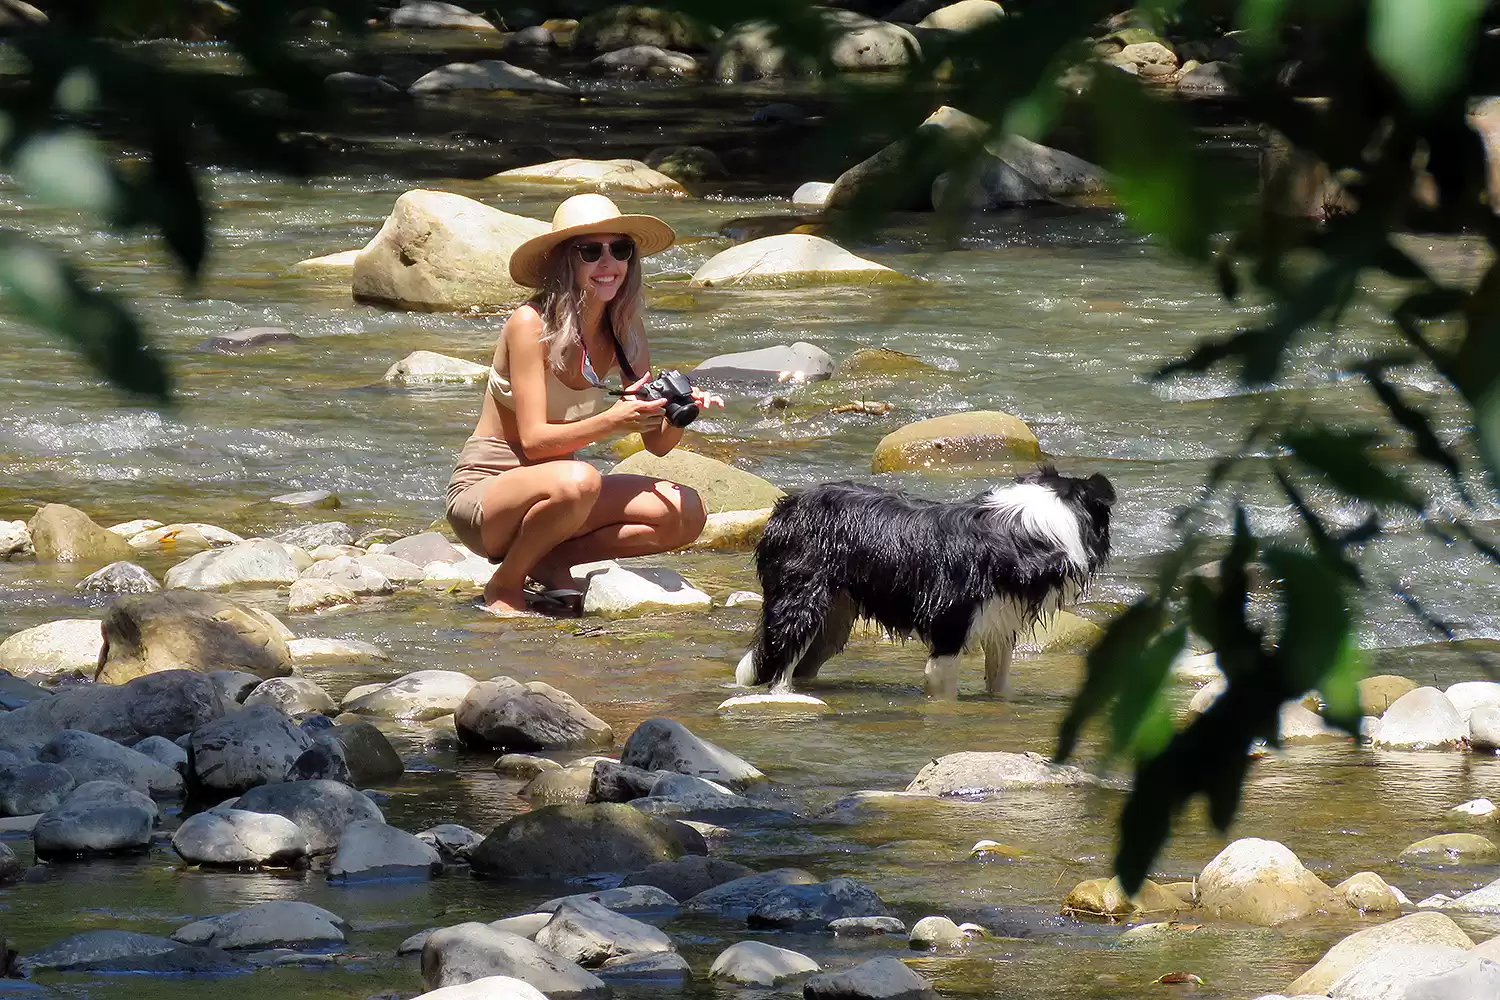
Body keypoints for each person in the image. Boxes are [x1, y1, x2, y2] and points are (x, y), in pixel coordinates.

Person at [445, 193, 722, 616]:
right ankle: (506, 582)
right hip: (488, 495)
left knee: (687, 512)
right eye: (591, 251)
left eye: (620, 249)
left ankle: (552, 560)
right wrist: (614, 421)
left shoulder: (626, 331)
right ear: (565, 261)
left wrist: (677, 409)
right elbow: (536, 443)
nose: (608, 263)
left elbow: (659, 446)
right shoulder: (529, 323)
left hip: (564, 495)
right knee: (581, 479)